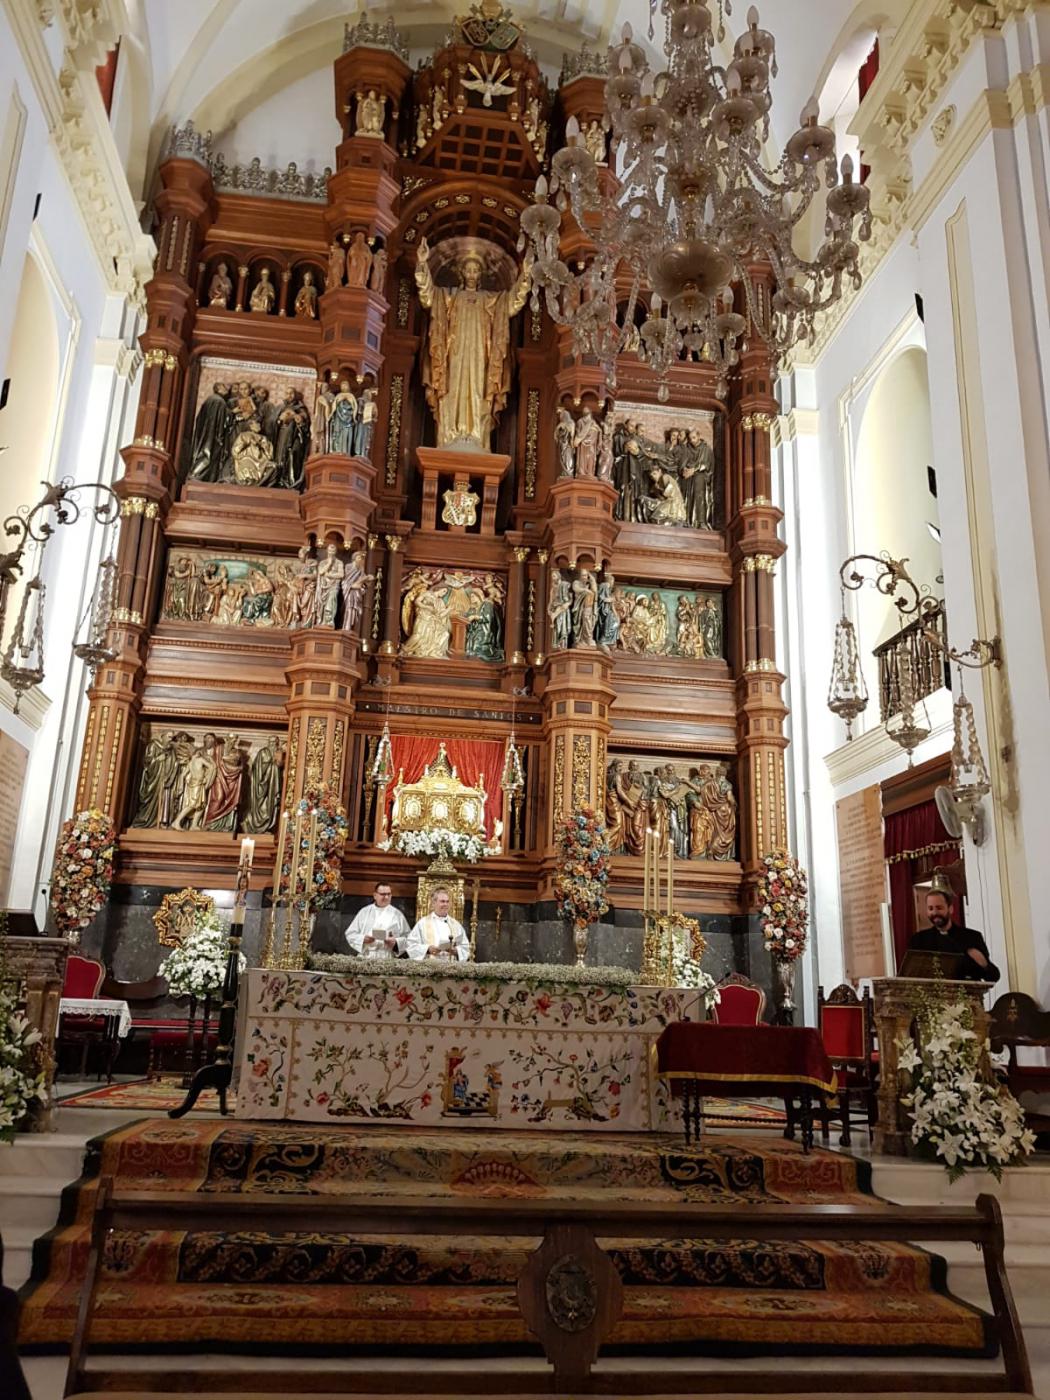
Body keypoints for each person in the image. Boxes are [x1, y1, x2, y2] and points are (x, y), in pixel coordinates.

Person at [908, 884, 1000, 983]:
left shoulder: (972, 937)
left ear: (950, 909)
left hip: (968, 996)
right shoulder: (919, 940)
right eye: (930, 908)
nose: (934, 913)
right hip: (931, 997)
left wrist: (984, 964)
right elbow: (909, 974)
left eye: (939, 908)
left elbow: (993, 977)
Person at [344, 882, 410, 958]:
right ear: (375, 895)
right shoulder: (364, 912)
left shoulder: (397, 914)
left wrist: (396, 942)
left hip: (387, 957)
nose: (386, 897)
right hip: (367, 956)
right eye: (383, 894)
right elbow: (350, 934)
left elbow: (408, 938)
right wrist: (363, 939)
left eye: (389, 894)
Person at [405, 887, 469, 962]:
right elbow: (411, 945)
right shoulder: (422, 923)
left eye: (447, 902)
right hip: (429, 967)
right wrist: (427, 949)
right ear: (433, 903)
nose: (445, 904)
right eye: (442, 901)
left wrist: (456, 951)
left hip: (451, 968)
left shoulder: (456, 924)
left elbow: (465, 947)